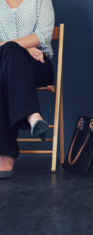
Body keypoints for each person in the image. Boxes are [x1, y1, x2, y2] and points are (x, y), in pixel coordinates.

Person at [0, 0, 55, 179]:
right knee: (3, 72)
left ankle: (4, 156)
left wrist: (15, 47)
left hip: (37, 64)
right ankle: (33, 116)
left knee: (9, 54)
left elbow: (44, 35)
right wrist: (23, 46)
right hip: (4, 65)